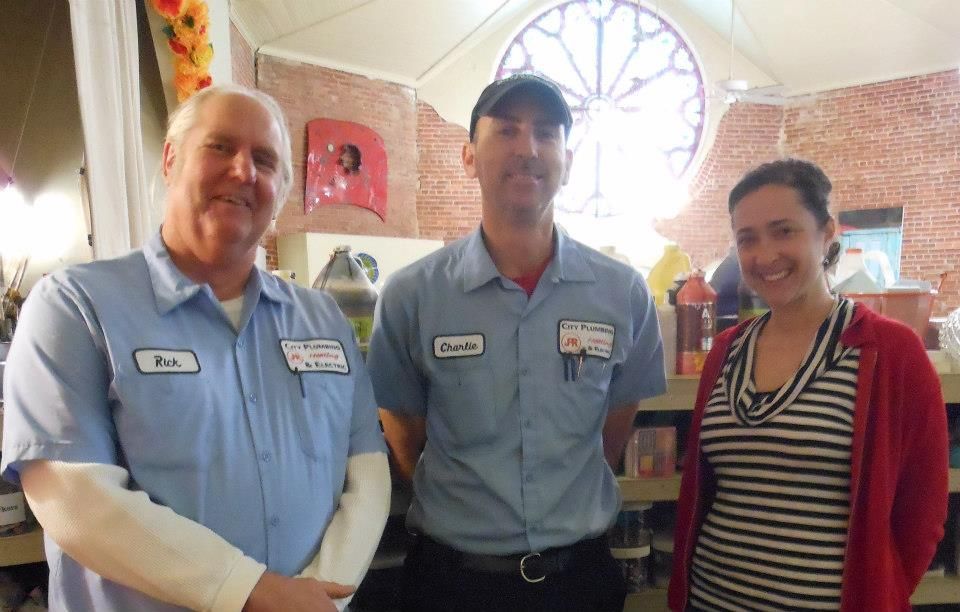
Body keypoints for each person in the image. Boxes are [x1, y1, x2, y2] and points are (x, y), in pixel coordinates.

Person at [0, 84, 390, 612]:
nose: (243, 171)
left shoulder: (323, 319)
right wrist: (255, 594)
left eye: (265, 159)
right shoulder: (74, 307)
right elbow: (72, 498)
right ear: (170, 158)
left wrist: (322, 599)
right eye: (220, 147)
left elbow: (366, 473)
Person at [366, 73, 666, 612]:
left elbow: (613, 428)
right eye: (506, 130)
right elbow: (405, 436)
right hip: (453, 585)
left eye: (547, 133)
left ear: (568, 162)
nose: (528, 149)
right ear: (468, 156)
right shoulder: (413, 295)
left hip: (579, 582)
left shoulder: (622, 294)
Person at [668, 159, 948, 611]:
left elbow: (924, 512)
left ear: (826, 233)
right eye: (747, 239)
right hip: (712, 598)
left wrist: (879, 591)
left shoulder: (890, 351)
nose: (764, 255)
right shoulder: (726, 351)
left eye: (784, 231)